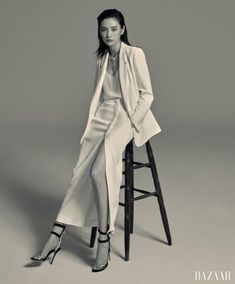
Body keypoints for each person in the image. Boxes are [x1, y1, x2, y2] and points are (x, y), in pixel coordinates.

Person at [30, 8, 161, 272]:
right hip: (103, 116)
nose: (108, 34)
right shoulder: (101, 58)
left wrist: (133, 121)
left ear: (122, 29)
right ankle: (57, 233)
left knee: (99, 170)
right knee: (80, 173)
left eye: (113, 28)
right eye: (103, 29)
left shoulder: (134, 54)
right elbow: (98, 96)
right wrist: (94, 124)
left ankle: (104, 236)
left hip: (127, 115)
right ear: (99, 32)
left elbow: (147, 94)